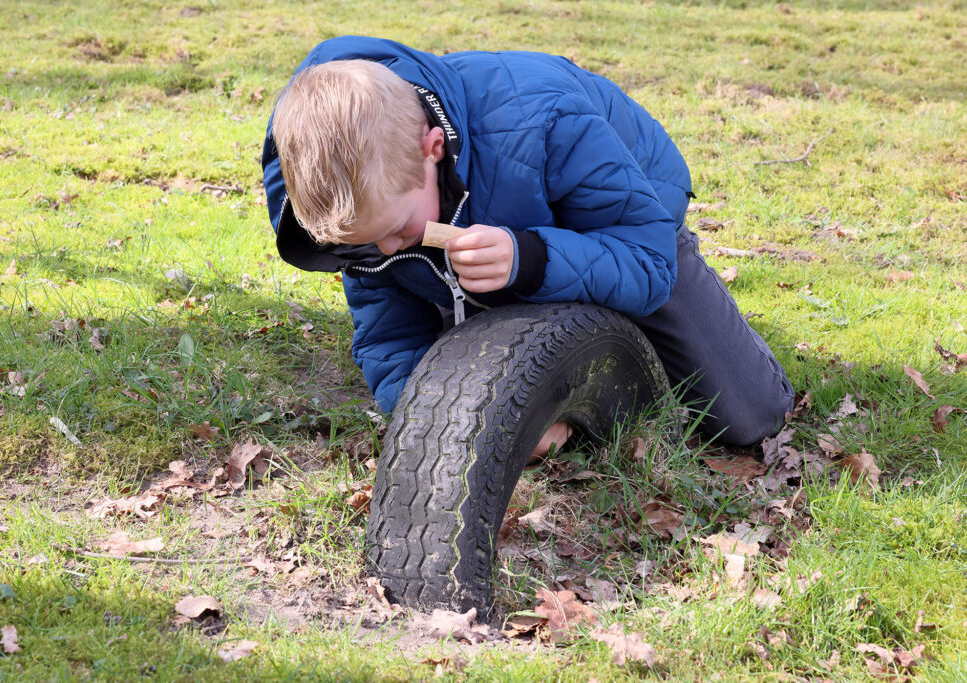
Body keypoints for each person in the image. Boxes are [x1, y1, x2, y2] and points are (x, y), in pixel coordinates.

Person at [261, 36, 794, 452]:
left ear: (433, 147)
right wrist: (454, 420)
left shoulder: (544, 117)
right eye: (364, 244)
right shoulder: (354, 204)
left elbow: (645, 262)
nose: (384, 251)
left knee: (749, 413)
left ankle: (646, 325)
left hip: (626, 228)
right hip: (509, 248)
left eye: (399, 231)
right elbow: (391, 339)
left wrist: (528, 259)